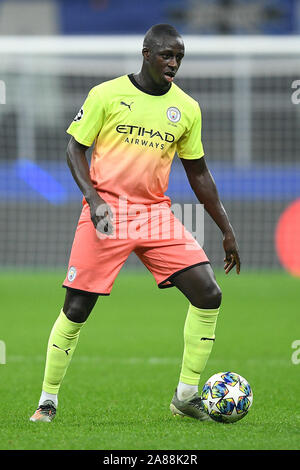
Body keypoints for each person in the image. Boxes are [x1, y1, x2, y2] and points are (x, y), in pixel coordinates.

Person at [30, 24, 240, 423]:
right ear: (147, 54)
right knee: (76, 308)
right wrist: (92, 199)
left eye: (179, 57)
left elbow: (199, 173)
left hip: (155, 215)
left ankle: (186, 395)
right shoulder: (106, 95)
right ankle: (48, 399)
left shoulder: (187, 108)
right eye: (166, 55)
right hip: (107, 212)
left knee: (209, 294)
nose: (173, 63)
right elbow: (75, 148)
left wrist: (226, 229)